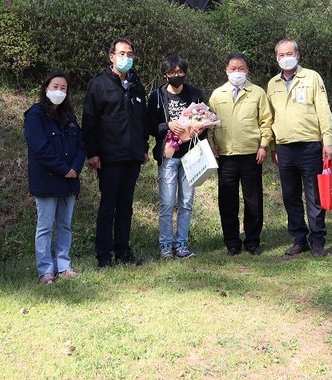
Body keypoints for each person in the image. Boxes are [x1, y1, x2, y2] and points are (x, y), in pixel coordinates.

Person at [82, 38, 148, 268]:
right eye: (121, 53)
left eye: (130, 54)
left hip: (132, 156)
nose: (126, 58)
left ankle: (123, 251)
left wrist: (143, 149)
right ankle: (103, 256)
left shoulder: (137, 85)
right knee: (108, 207)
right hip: (109, 157)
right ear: (111, 56)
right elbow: (89, 121)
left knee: (126, 207)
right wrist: (92, 153)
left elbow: (142, 120)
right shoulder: (99, 84)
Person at [266, 40, 332, 257]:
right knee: (290, 195)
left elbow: (323, 111)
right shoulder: (272, 84)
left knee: (314, 196)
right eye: (281, 54)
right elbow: (269, 117)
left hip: (309, 147)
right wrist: (271, 146)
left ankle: (317, 241)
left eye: (289, 53)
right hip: (284, 149)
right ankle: (299, 239)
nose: (285, 57)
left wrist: (328, 142)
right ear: (276, 58)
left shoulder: (312, 77)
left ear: (298, 55)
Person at [209, 52, 274, 256]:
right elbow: (209, 124)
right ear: (226, 70)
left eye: (241, 69)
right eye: (233, 69)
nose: (237, 72)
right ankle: (232, 242)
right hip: (225, 156)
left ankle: (252, 240)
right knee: (227, 201)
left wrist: (264, 146)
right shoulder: (217, 95)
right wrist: (211, 145)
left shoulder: (257, 93)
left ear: (247, 70)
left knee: (253, 200)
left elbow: (266, 121)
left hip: (251, 154)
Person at [24, 71, 86, 284]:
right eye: (55, 86)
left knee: (65, 225)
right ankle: (45, 271)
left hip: (69, 179)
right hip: (47, 180)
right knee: (45, 226)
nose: (59, 91)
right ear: (45, 88)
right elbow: (39, 148)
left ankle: (63, 266)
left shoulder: (69, 116)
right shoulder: (35, 115)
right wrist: (63, 169)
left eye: (63, 88)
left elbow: (80, 144)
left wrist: (75, 167)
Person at [147, 56, 206, 259]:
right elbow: (149, 126)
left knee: (187, 201)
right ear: (165, 74)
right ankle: (165, 245)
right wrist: (167, 126)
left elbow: (205, 120)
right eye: (172, 73)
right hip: (168, 156)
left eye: (180, 72)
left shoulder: (195, 94)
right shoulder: (156, 96)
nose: (176, 76)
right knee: (166, 202)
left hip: (191, 155)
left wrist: (199, 129)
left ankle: (181, 244)